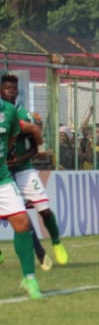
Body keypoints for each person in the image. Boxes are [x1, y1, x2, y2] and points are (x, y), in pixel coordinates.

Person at [4, 75, 68, 269]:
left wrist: (25, 157)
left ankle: (56, 242)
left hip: (23, 170)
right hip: (4, 173)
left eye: (13, 89)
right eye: (6, 89)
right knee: (19, 216)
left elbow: (33, 142)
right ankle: (40, 254)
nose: (10, 92)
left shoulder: (21, 114)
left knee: (44, 210)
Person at [0, 90, 45, 298]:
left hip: (2, 178)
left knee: (22, 222)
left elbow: (10, 140)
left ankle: (29, 279)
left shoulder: (9, 111)